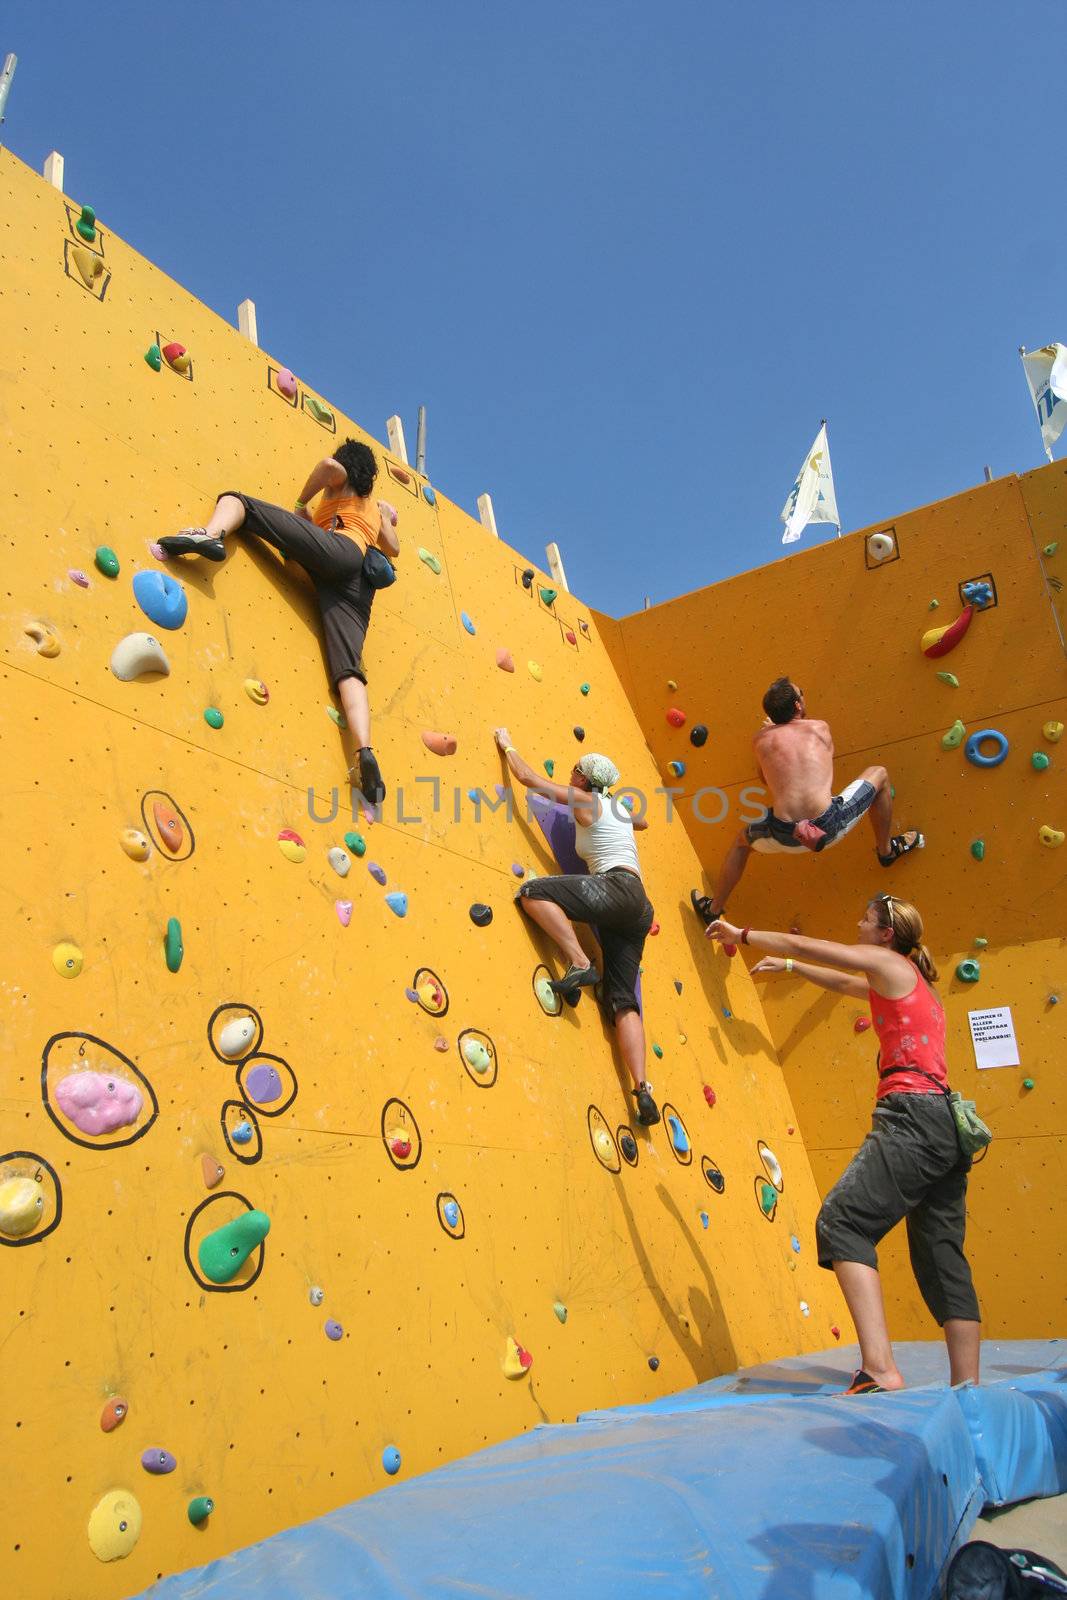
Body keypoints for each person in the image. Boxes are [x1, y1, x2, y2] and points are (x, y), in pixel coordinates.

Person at [706, 893, 980, 1394]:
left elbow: (809, 945)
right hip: (946, 1126)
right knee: (941, 1256)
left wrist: (740, 935)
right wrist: (789, 965)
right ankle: (969, 1389)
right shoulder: (914, 985)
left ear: (885, 934)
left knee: (842, 1221)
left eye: (866, 919)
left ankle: (879, 1369)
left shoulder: (885, 960)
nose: (858, 923)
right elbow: (838, 980)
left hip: (912, 1117)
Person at [158, 439, 399, 806]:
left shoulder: (341, 481)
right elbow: (393, 548)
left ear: (349, 464)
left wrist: (303, 503)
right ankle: (363, 750)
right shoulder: (373, 508)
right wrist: (387, 517)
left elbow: (325, 466)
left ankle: (211, 534)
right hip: (358, 590)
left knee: (241, 502)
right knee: (349, 670)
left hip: (337, 553)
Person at [492, 729, 662, 1126]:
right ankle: (642, 1091)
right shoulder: (615, 807)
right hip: (639, 908)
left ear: (585, 781)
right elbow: (644, 822)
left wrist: (508, 745)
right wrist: (620, 810)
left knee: (533, 892)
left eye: (575, 771)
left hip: (616, 888)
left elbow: (531, 780)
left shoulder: (586, 800)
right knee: (622, 1001)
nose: (570, 775)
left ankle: (580, 960)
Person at [691, 677, 923, 926]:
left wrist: (771, 731)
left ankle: (713, 910)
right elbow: (819, 757)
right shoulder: (820, 728)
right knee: (880, 774)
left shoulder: (760, 740)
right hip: (827, 826)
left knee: (741, 843)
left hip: (783, 832)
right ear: (798, 706)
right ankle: (886, 851)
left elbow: (765, 778)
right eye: (802, 694)